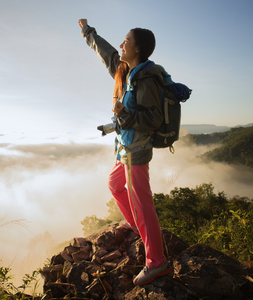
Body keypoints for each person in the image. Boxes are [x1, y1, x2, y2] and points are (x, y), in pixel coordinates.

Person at [78, 19, 172, 285]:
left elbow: (152, 119)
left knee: (143, 202)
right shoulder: (126, 72)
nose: (121, 45)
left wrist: (124, 114)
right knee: (114, 184)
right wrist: (88, 32)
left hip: (138, 151)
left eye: (126, 42)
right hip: (124, 149)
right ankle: (134, 224)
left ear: (138, 49)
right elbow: (107, 52)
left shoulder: (147, 78)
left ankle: (157, 262)